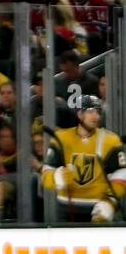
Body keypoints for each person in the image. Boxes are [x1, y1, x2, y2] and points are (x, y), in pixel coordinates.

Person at [42, 95, 126, 223]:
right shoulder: (61, 139)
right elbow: (46, 173)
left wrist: (109, 201)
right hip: (66, 207)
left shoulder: (111, 140)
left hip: (98, 206)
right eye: (91, 111)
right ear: (80, 114)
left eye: (98, 112)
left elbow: (121, 174)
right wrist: (56, 177)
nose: (96, 116)